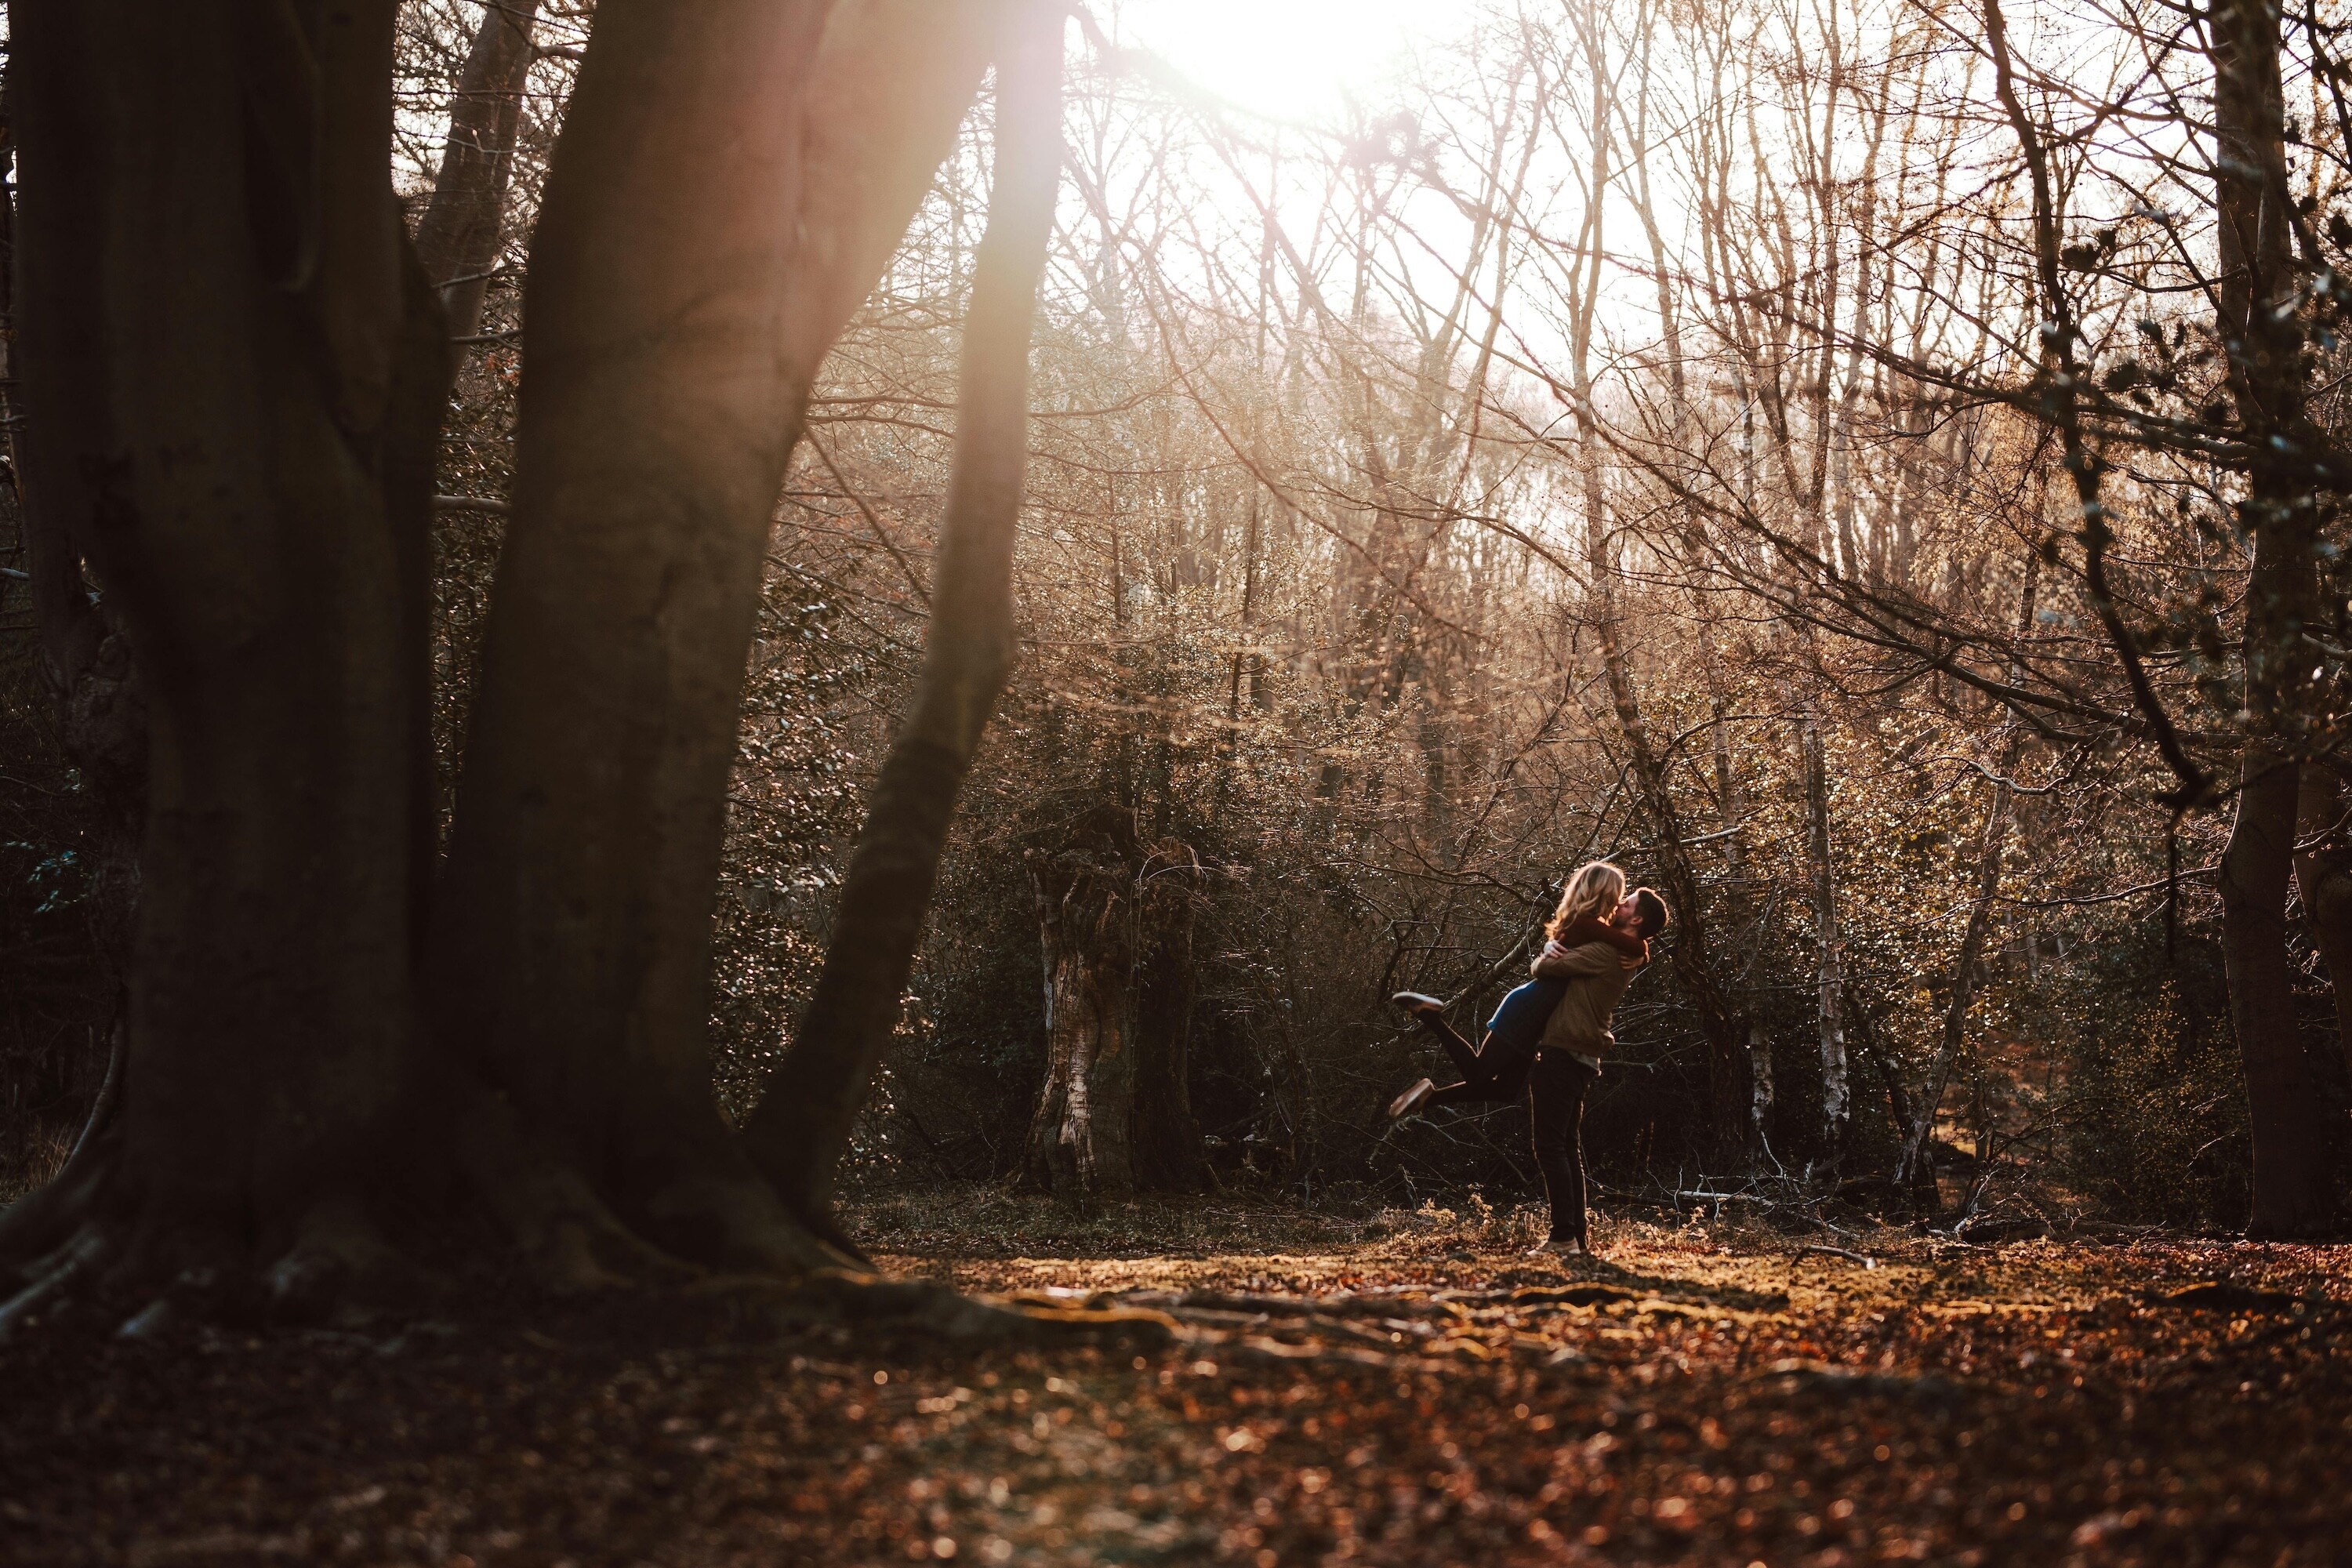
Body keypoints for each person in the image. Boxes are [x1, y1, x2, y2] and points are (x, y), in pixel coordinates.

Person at [1385, 864, 1670, 1257]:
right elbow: (1558, 960)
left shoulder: (1610, 950)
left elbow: (1547, 965)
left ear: (1635, 918)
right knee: (1555, 1140)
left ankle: (1568, 1239)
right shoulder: (1612, 947)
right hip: (1549, 1031)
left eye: (1628, 902)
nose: (1619, 904)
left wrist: (1633, 949)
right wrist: (1638, 949)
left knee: (1544, 1133)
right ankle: (1569, 1239)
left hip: (1560, 1042)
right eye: (1619, 896)